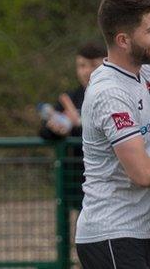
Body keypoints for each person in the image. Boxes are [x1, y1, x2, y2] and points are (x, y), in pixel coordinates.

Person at [75, 0, 150, 269]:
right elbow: (143, 173)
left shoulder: (147, 72)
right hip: (111, 234)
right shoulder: (111, 93)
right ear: (123, 40)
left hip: (133, 233)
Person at [39, 41, 106, 210]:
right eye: (81, 65)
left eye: (92, 65)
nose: (86, 71)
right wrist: (57, 129)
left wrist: (79, 124)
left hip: (107, 179)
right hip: (78, 180)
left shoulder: (113, 95)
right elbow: (45, 131)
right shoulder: (70, 98)